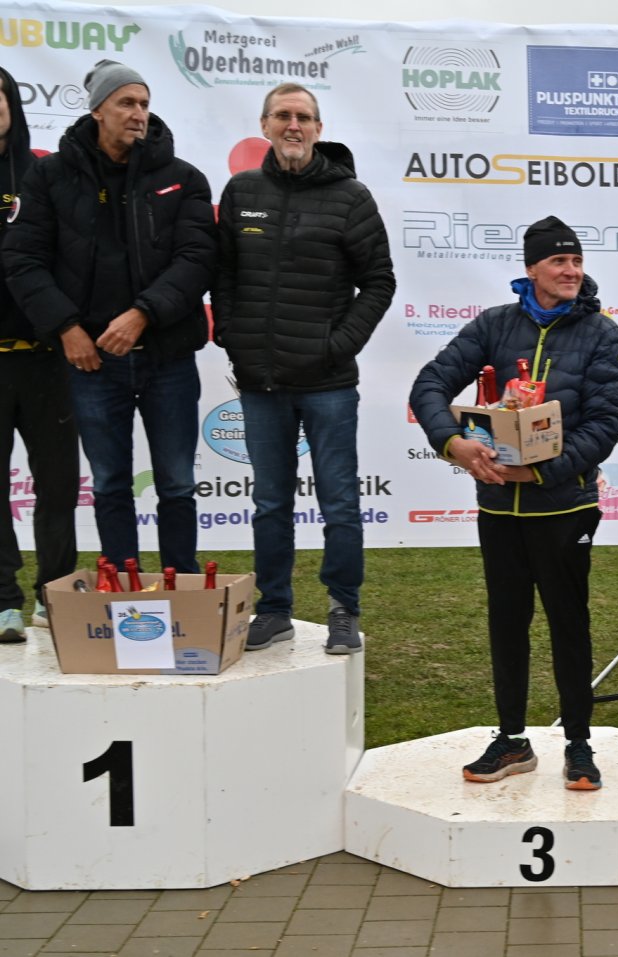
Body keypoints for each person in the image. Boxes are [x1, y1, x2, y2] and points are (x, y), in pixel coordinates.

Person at [410, 216, 618, 790]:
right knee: (507, 624)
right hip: (499, 510)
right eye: (559, 261)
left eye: (576, 261)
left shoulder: (601, 332)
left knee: (568, 625)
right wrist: (453, 444)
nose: (571, 271)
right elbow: (429, 385)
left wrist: (541, 470)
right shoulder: (494, 325)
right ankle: (511, 740)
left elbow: (604, 425)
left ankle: (578, 745)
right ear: (532, 268)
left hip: (565, 507)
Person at [4, 60, 215, 577]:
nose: (138, 113)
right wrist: (66, 328)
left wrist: (142, 314)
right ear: (98, 109)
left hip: (167, 358)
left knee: (177, 484)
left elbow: (196, 260)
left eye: (144, 103)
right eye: (126, 103)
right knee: (110, 484)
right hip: (92, 362)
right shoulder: (49, 176)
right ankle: (122, 593)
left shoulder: (184, 178)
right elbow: (23, 259)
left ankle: (183, 589)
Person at [213, 82, 395, 656]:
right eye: (283, 116)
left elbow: (380, 281)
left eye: (304, 117)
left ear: (318, 128)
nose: (293, 125)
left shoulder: (350, 197)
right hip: (261, 382)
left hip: (328, 384)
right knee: (270, 504)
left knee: (339, 503)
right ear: (264, 125)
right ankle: (274, 609)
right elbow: (224, 275)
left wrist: (337, 345)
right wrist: (233, 336)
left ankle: (343, 609)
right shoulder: (242, 191)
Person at [0, 66, 79, 642]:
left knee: (57, 484)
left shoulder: (43, 174)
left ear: (12, 106)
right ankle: (4, 600)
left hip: (46, 356)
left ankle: (55, 592)